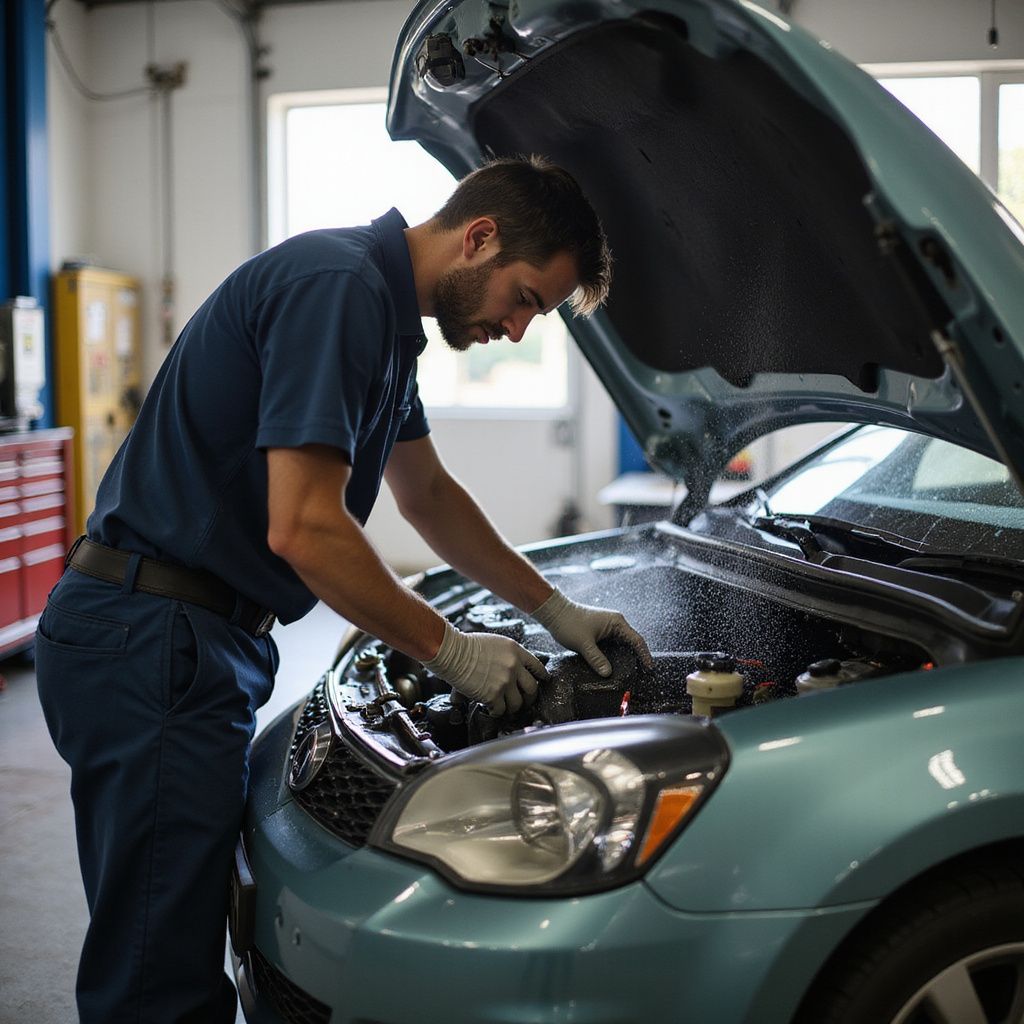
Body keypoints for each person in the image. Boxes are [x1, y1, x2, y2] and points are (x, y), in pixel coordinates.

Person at [35, 154, 652, 1024]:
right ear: (479, 237)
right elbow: (306, 528)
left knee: (172, 929)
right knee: (155, 978)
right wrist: (454, 653)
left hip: (196, 636)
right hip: (155, 635)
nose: (518, 329)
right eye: (525, 299)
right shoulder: (340, 291)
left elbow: (428, 496)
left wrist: (553, 608)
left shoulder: (387, 323)